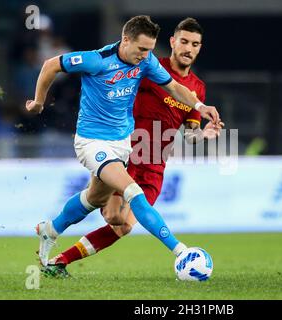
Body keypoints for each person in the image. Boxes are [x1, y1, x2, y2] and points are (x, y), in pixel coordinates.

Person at [25, 15, 220, 267]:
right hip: (94, 143)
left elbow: (173, 87)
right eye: (141, 49)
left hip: (126, 146)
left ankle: (50, 229)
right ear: (125, 39)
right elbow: (51, 64)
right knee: (132, 193)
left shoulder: (149, 63)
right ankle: (182, 252)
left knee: (96, 201)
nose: (145, 55)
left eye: (149, 50)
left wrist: (200, 107)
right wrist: (39, 101)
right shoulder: (96, 60)